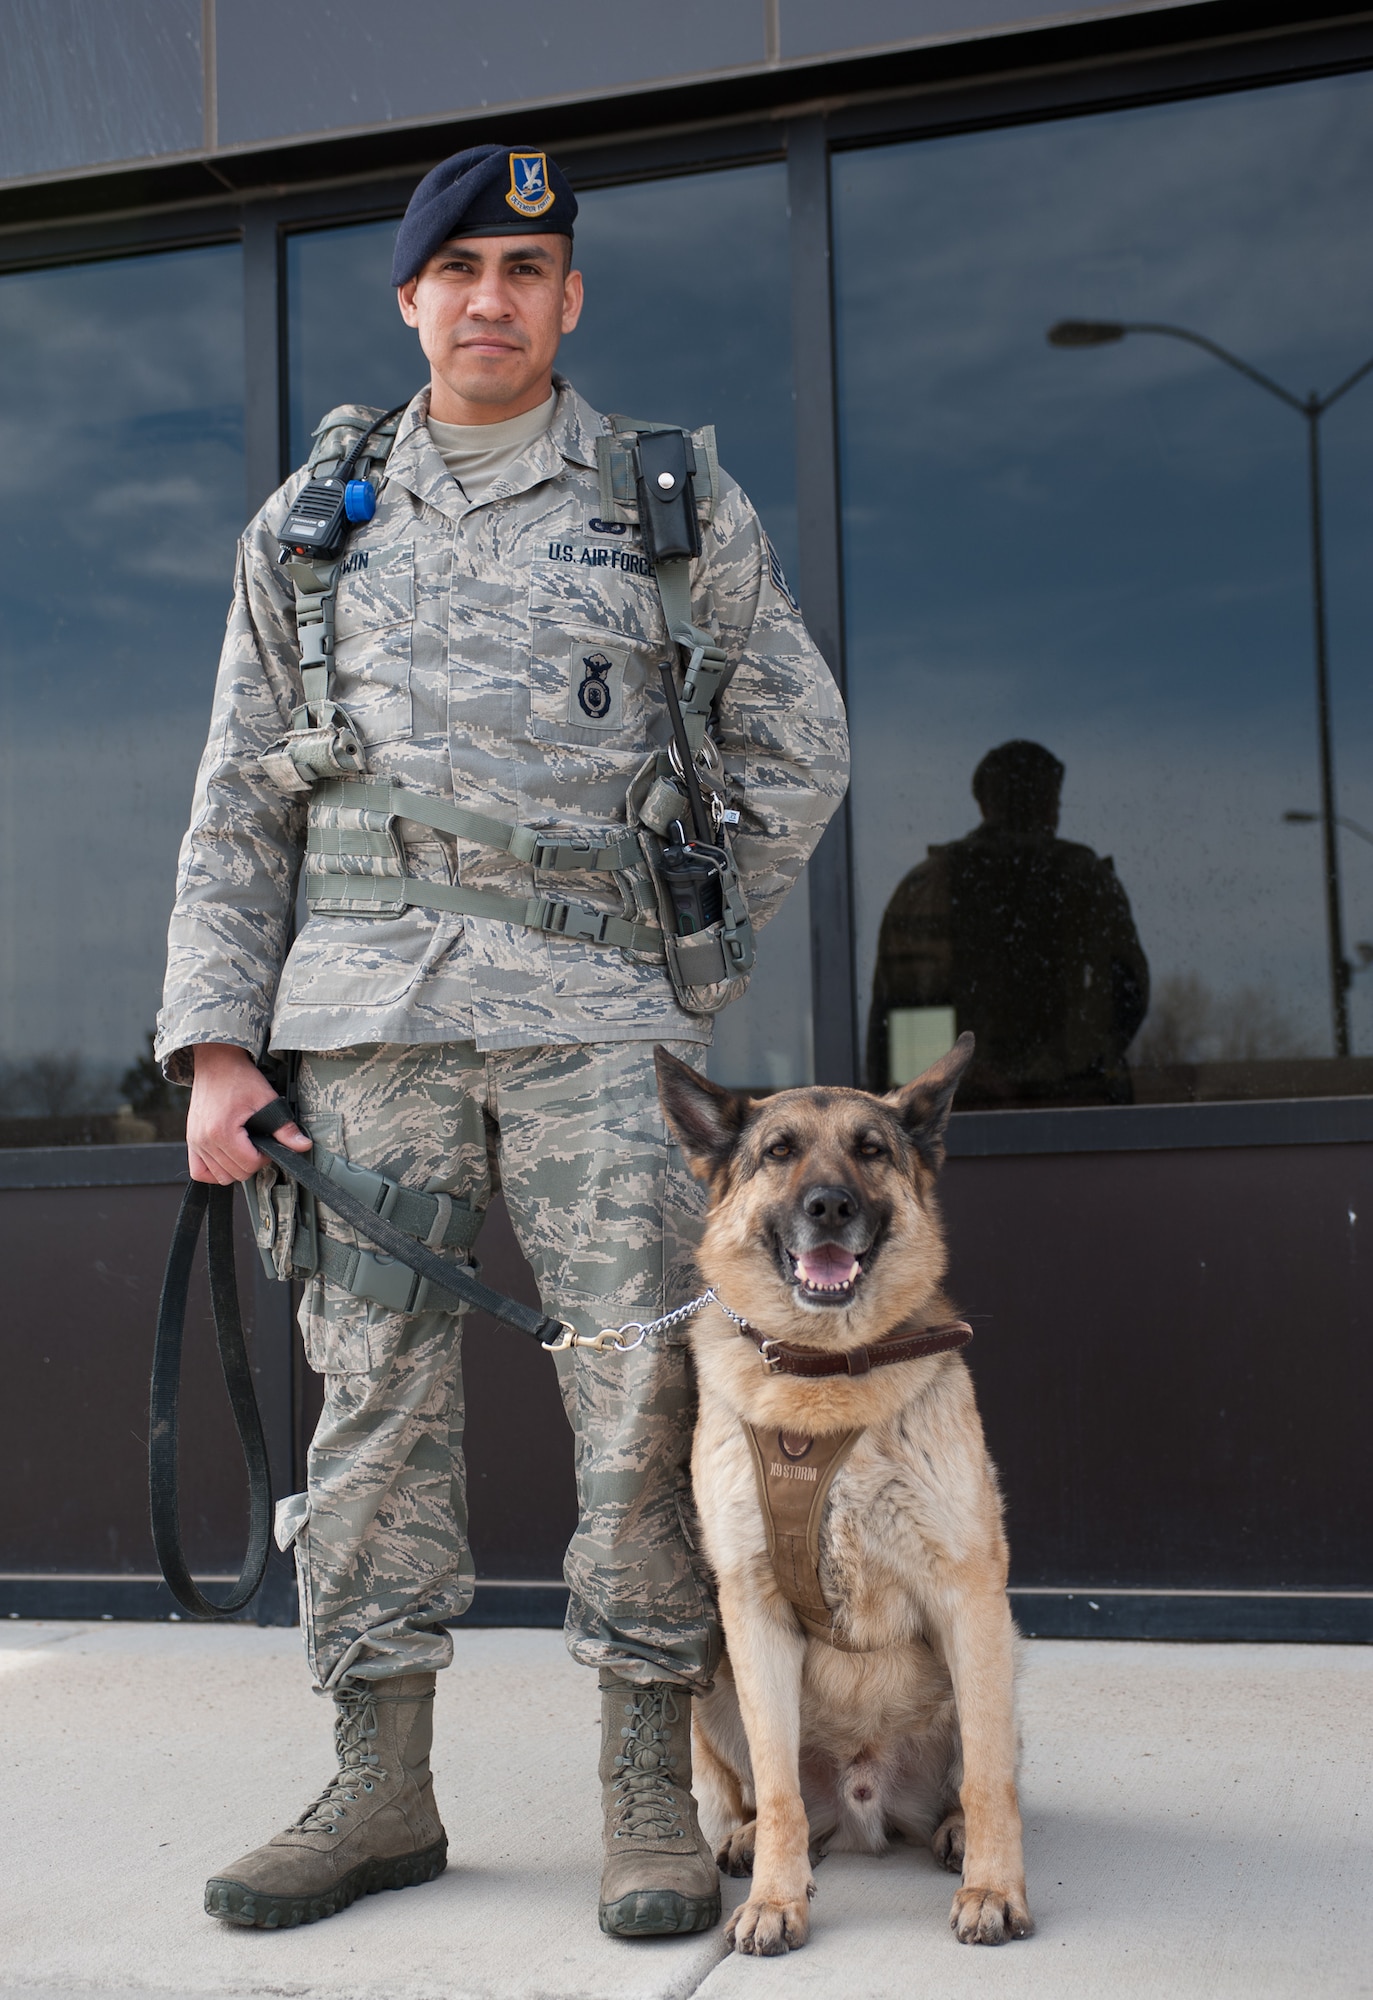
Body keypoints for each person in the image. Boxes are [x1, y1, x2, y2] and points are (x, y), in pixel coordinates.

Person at [156, 144, 848, 1936]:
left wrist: (687, 954)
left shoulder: (663, 501)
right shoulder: (312, 519)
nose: (490, 299)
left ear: (569, 299)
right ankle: (379, 1786)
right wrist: (218, 1049)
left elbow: (796, 742)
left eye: (525, 270)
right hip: (360, 1036)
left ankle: (640, 1784)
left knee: (635, 1392)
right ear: (408, 298)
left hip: (595, 1037)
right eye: (458, 269)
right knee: (370, 1407)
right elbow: (238, 795)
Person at [866, 739, 1147, 1106]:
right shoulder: (1086, 879)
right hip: (1064, 1102)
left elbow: (897, 1010)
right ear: (1049, 806)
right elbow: (1127, 995)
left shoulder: (927, 883)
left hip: (975, 1106)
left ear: (983, 805)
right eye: (1048, 802)